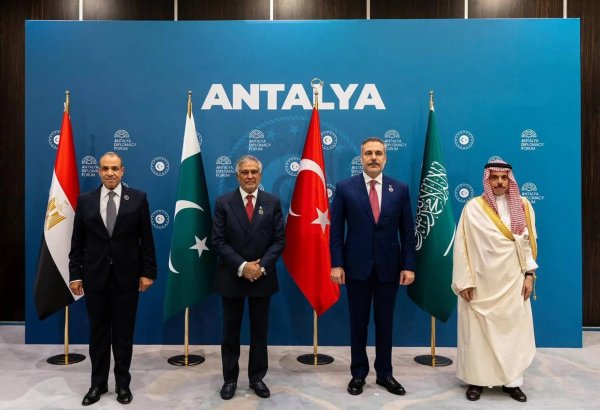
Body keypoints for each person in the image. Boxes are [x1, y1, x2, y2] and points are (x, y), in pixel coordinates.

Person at [330, 137, 416, 396]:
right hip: (356, 268)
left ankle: (385, 374)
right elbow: (336, 231)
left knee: (385, 324)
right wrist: (337, 264)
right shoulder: (345, 188)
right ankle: (358, 374)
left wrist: (408, 265)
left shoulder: (399, 189)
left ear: (385, 158)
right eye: (368, 153)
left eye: (378, 153)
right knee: (358, 324)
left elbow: (407, 232)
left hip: (389, 269)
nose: (373, 157)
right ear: (361, 158)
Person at [69, 152, 156, 406]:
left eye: (114, 168)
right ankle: (97, 384)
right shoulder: (85, 200)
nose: (110, 173)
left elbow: (146, 240)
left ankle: (122, 384)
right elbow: (77, 242)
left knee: (123, 335)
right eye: (105, 168)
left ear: (122, 171)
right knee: (98, 334)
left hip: (126, 279)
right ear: (99, 171)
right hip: (94, 278)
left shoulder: (138, 199)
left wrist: (147, 272)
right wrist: (75, 274)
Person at [452, 161, 538, 402]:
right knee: (478, 335)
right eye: (494, 178)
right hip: (480, 284)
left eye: (504, 178)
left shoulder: (523, 205)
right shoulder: (473, 208)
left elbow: (528, 244)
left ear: (510, 180)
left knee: (513, 333)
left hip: (512, 283)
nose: (499, 182)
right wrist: (464, 281)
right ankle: (476, 381)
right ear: (487, 180)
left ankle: (512, 382)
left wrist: (529, 275)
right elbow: (462, 246)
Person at [212, 155, 285, 400]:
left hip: (261, 277)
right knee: (230, 333)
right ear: (237, 176)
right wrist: (243, 266)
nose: (250, 176)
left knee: (259, 332)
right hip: (233, 276)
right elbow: (218, 241)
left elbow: (279, 240)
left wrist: (260, 267)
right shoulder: (224, 202)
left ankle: (257, 378)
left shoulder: (272, 202)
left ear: (260, 175)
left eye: (254, 172)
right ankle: (230, 379)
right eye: (245, 172)